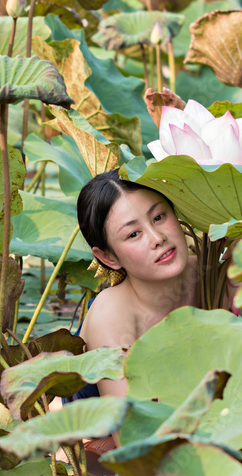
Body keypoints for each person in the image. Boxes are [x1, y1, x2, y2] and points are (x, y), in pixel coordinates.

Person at [72, 169, 198, 399]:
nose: (157, 237)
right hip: (92, 432)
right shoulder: (110, 316)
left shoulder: (214, 276)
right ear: (108, 257)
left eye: (159, 217)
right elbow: (133, 431)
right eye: (133, 234)